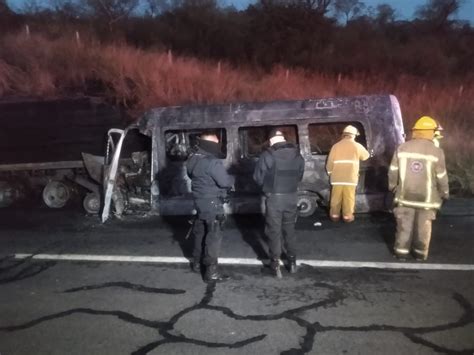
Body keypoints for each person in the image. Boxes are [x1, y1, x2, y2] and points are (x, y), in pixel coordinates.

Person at [388, 116, 449, 261]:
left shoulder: (402, 148)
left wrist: (392, 187)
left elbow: (392, 171)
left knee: (404, 226)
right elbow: (441, 176)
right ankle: (420, 255)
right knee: (423, 228)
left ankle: (401, 253)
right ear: (430, 132)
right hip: (426, 200)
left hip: (404, 196)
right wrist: (444, 193)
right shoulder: (436, 151)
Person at [253, 129, 305, 278]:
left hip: (275, 198)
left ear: (270, 141)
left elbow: (258, 177)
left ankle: (275, 265)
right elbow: (300, 175)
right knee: (289, 229)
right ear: (283, 139)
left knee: (273, 231)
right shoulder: (297, 155)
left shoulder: (268, 155)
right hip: (292, 196)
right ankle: (293, 263)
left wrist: (267, 188)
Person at [186, 132, 234, 282]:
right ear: (209, 144)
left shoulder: (193, 158)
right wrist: (232, 178)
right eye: (215, 142)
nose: (218, 144)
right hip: (213, 203)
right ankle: (211, 272)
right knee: (213, 237)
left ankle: (196, 263)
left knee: (200, 233)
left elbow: (190, 175)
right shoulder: (212, 161)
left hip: (199, 202)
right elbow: (225, 182)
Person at [326, 125, 370, 222]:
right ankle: (347, 217)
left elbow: (329, 162)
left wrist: (330, 172)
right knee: (349, 198)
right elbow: (366, 156)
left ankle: (334, 216)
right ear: (353, 135)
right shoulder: (357, 146)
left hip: (337, 178)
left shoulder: (336, 146)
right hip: (350, 178)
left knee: (335, 198)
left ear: (344, 135)